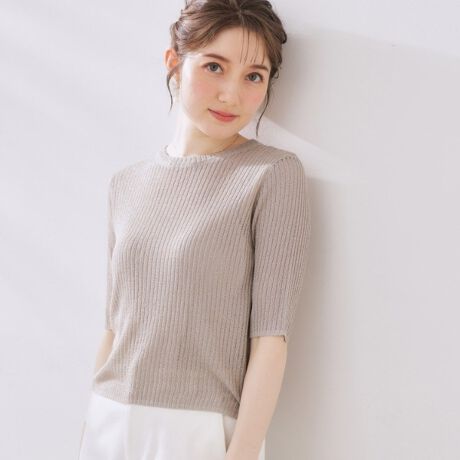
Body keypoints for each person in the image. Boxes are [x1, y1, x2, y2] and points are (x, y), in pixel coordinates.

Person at [78, 0, 311, 459]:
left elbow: (270, 338)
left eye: (253, 76)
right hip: (109, 420)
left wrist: (242, 453)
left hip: (197, 432)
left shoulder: (270, 175)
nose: (231, 95)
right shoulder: (126, 183)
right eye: (214, 67)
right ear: (174, 63)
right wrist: (89, 431)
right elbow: (114, 326)